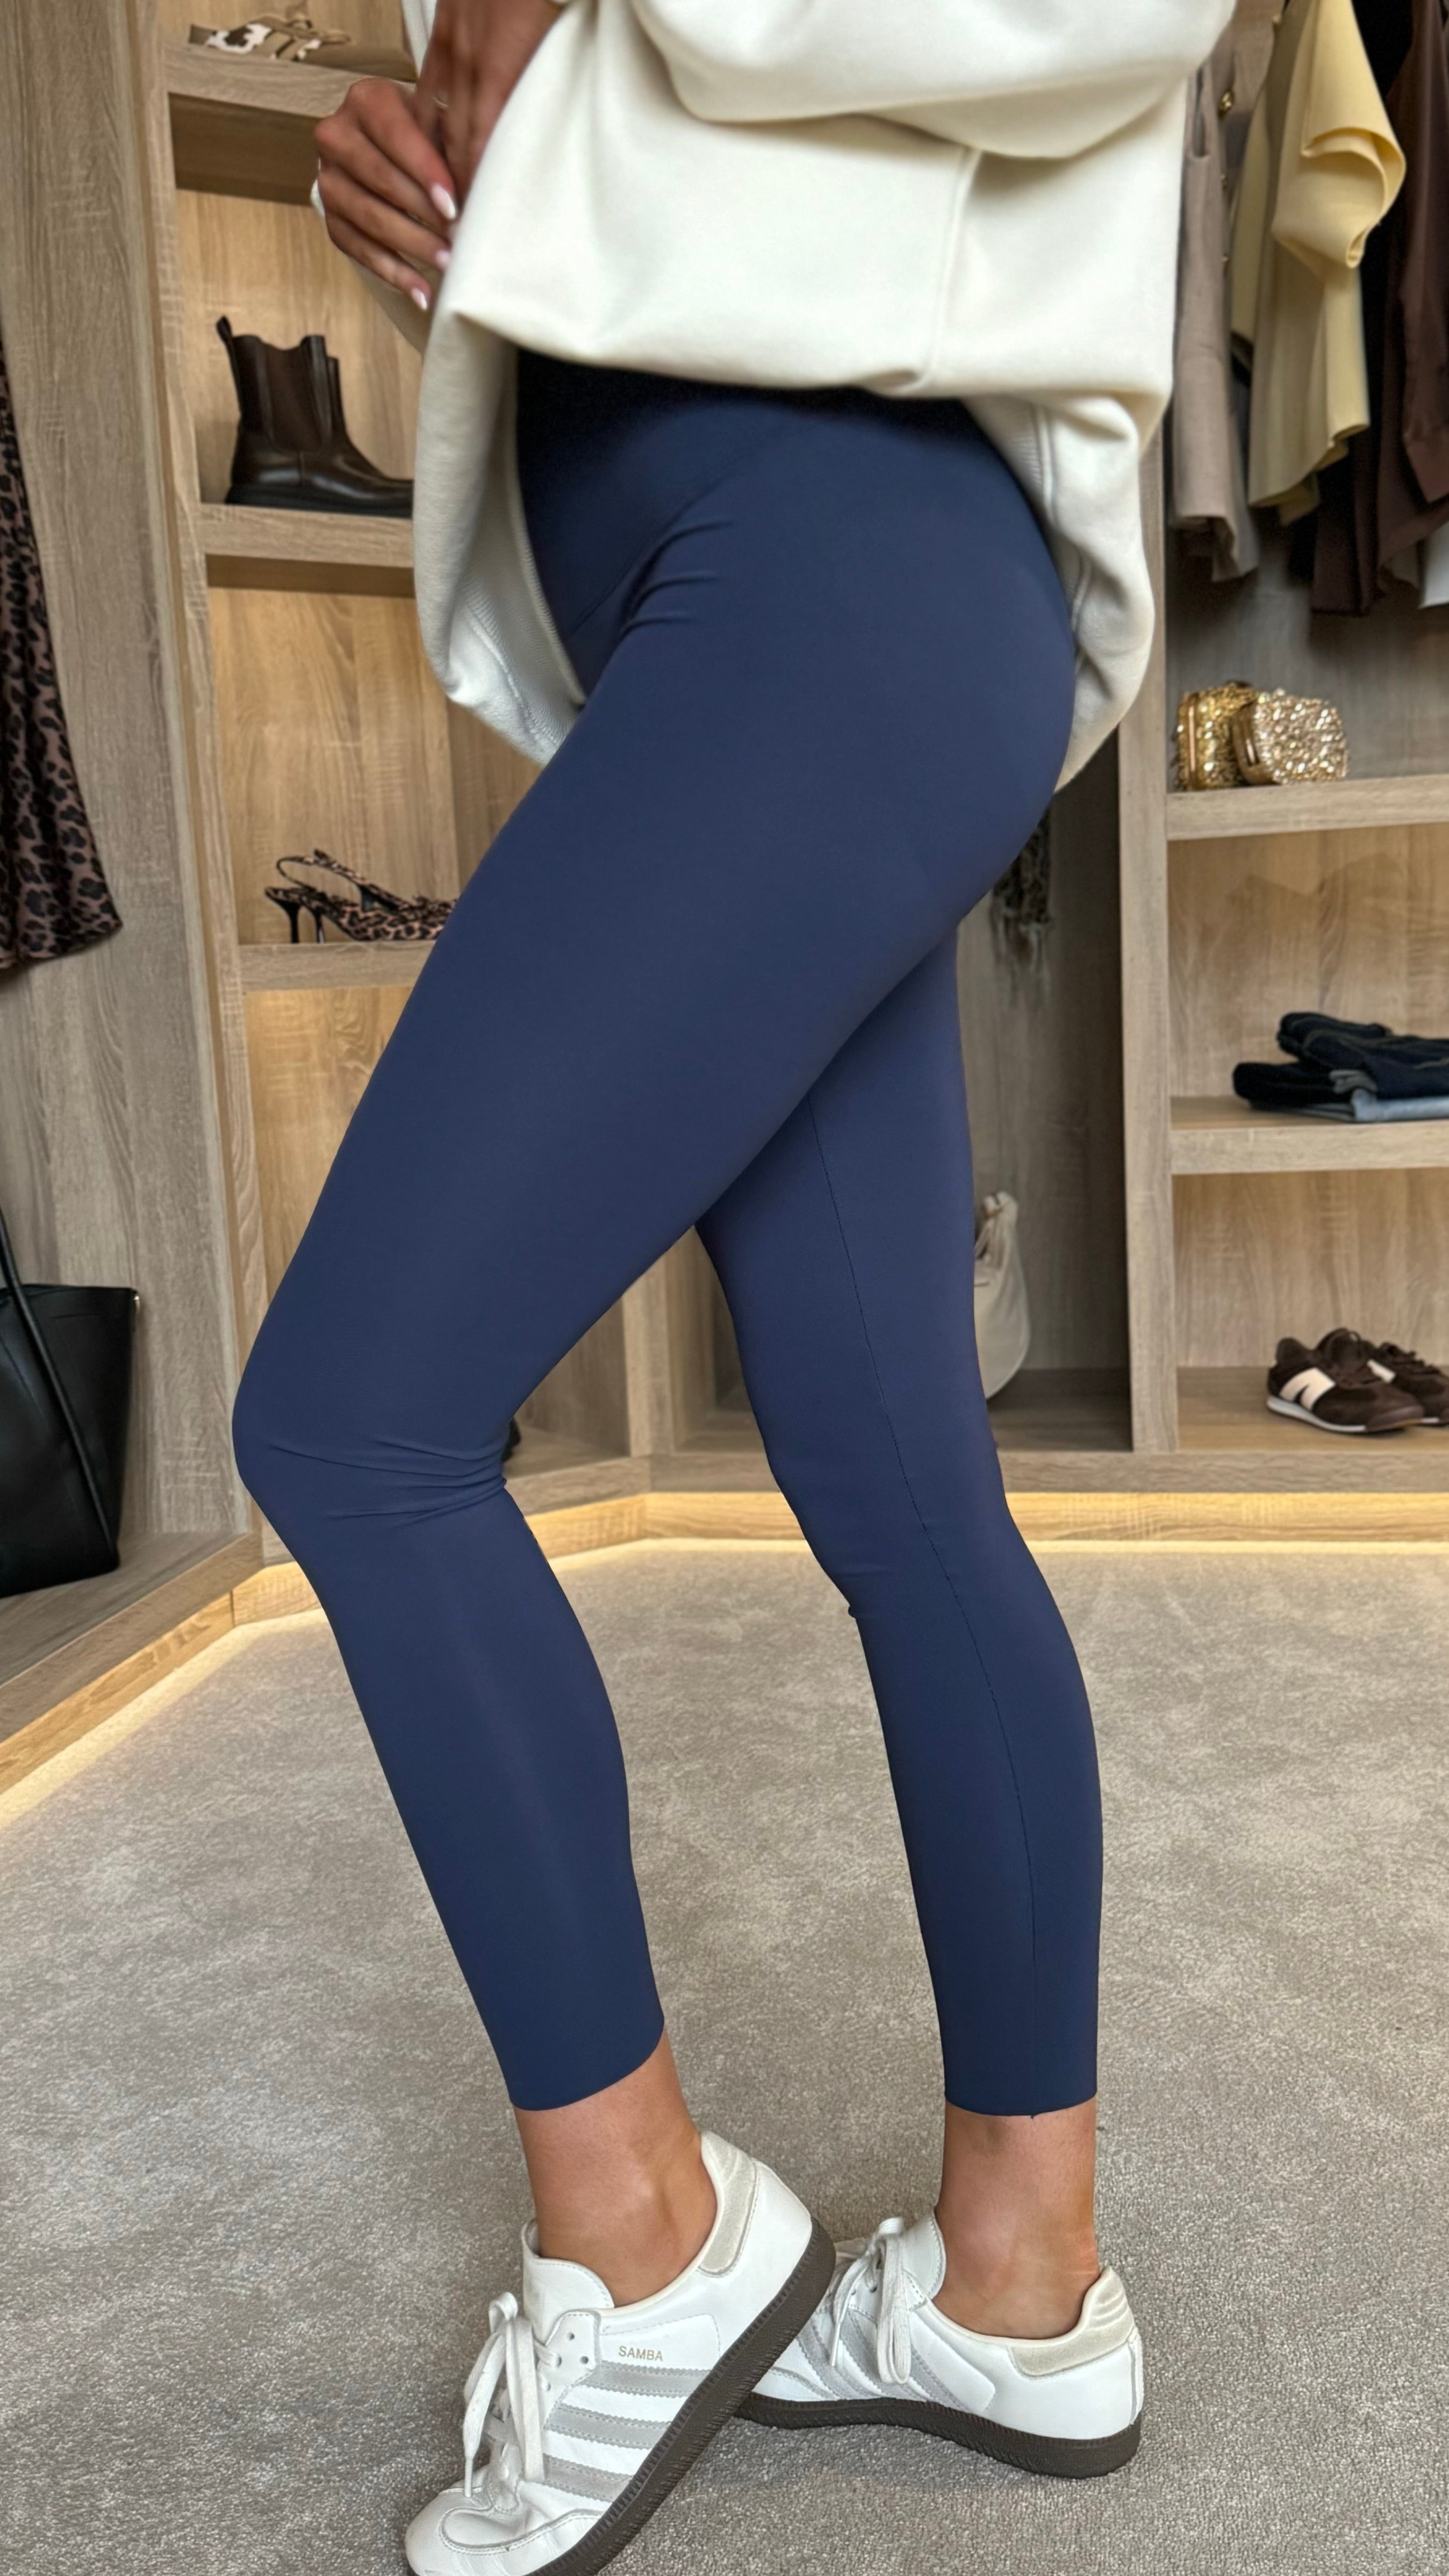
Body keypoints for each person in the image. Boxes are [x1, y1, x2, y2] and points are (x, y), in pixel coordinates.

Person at [230, 5, 1231, 2567]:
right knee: (893, 1468)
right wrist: (463, 163)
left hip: (830, 575)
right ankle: (1017, 2289)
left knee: (352, 1419)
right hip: (759, 606)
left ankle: (643, 2234)